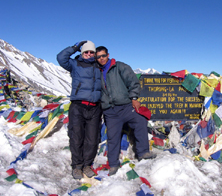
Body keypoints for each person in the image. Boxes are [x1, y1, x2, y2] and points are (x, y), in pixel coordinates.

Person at [95, 46, 156, 176]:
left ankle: (143, 152)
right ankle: (113, 164)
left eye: (103, 55)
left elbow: (133, 83)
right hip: (110, 111)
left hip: (126, 106)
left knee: (140, 121)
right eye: (98, 57)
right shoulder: (95, 71)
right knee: (112, 136)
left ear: (108, 55)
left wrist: (134, 98)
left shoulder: (120, 67)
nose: (101, 59)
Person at [57, 41, 102, 180]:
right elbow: (61, 58)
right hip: (78, 106)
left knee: (92, 139)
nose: (88, 54)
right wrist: (74, 47)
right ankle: (77, 166)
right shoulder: (74, 64)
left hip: (95, 107)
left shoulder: (99, 66)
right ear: (82, 53)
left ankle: (87, 165)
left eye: (91, 52)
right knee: (76, 137)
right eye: (86, 51)